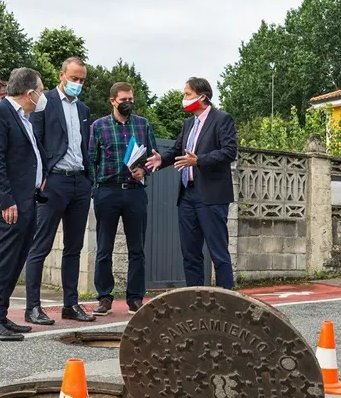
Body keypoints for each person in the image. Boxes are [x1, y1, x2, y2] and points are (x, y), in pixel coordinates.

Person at [146, 77, 238, 290]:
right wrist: (161, 160)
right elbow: (178, 150)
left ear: (202, 96)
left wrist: (199, 160)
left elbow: (229, 152)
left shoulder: (222, 119)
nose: (184, 99)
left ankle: (228, 298)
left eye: (187, 94)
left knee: (218, 252)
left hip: (212, 196)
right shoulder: (189, 123)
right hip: (187, 195)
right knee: (190, 252)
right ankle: (194, 299)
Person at [25, 57, 96, 325]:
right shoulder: (45, 103)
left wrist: (89, 179)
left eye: (81, 80)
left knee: (74, 248)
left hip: (79, 182)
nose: (78, 83)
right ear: (62, 74)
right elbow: (35, 141)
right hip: (53, 182)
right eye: (74, 78)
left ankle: (70, 304)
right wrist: (40, 176)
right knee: (40, 245)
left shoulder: (84, 110)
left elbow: (83, 146)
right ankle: (33, 307)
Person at [0, 68, 46, 342]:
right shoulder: (0, 113)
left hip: (28, 198)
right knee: (4, 260)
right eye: (41, 90)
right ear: (30, 93)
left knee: (16, 259)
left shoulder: (25, 118)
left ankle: (0, 315)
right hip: (12, 202)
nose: (43, 95)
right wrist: (5, 199)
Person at [88, 82, 157, 315]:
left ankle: (135, 298)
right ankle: (104, 297)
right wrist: (95, 190)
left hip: (135, 191)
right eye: (123, 99)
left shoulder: (143, 124)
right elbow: (91, 160)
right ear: (112, 101)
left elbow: (152, 158)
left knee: (136, 248)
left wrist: (145, 171)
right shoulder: (99, 126)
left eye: (131, 99)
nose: (128, 103)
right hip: (107, 191)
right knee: (104, 247)